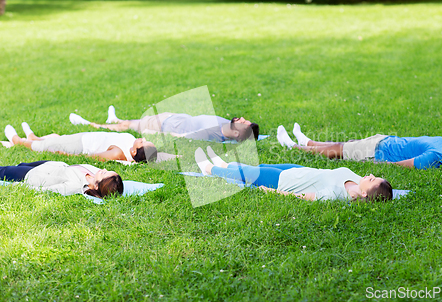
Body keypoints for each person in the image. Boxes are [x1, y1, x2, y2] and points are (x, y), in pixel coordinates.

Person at [194, 146, 393, 202]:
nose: (370, 175)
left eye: (373, 180)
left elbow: (304, 197)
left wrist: (273, 193)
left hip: (284, 182)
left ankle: (209, 169)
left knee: (248, 174)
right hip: (297, 170)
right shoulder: (357, 181)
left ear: (366, 194)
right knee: (260, 166)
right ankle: (226, 164)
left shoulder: (338, 195)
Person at [277, 123, 442, 173]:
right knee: (342, 145)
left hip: (378, 152)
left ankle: (294, 146)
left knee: (338, 151)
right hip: (386, 140)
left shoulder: (435, 158)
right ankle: (307, 141)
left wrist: (379, 163)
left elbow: (401, 164)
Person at [69, 105, 260, 142]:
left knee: (127, 128)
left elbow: (181, 138)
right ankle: (114, 119)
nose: (242, 119)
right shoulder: (227, 126)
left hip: (162, 126)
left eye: (243, 123)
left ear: (237, 134)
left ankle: (90, 124)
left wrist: (157, 137)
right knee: (133, 123)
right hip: (174, 117)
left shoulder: (213, 135)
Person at [4, 123, 158, 163]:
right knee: (57, 137)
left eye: (142, 142)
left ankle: (17, 141)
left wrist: (64, 154)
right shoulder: (131, 144)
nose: (142, 139)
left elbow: (92, 156)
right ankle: (33, 137)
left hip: (80, 145)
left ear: (133, 152)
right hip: (85, 137)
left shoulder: (118, 153)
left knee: (45, 146)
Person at [0, 160, 123, 198]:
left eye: (104, 173)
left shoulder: (74, 186)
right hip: (51, 164)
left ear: (97, 186)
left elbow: (46, 190)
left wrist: (18, 186)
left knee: (3, 171)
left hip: (33, 174)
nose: (103, 170)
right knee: (21, 164)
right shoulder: (94, 173)